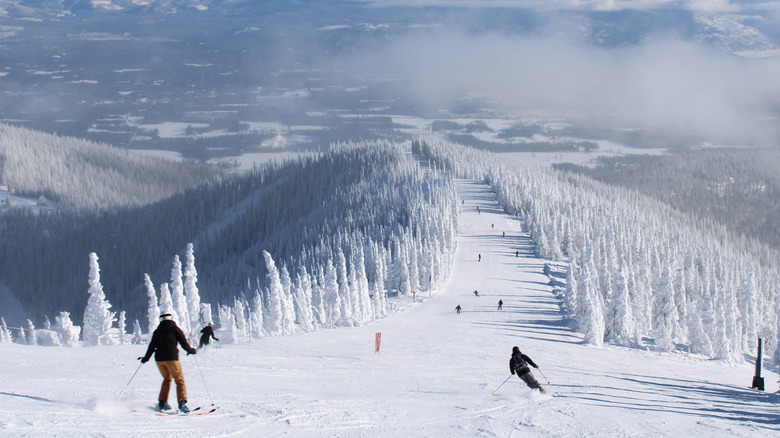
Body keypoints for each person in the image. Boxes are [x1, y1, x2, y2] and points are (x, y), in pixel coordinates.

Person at [139, 313, 197, 413]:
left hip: (159, 360)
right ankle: (182, 403)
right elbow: (184, 344)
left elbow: (152, 346)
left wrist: (146, 358)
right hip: (171, 358)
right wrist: (191, 351)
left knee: (167, 379)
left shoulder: (157, 331)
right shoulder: (175, 329)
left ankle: (162, 402)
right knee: (179, 380)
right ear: (171, 319)